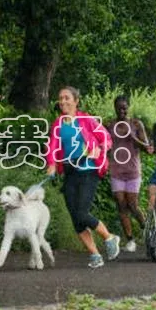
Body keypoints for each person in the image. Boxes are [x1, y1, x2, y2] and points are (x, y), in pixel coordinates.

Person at [46, 86, 120, 269]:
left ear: (76, 100)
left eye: (67, 98)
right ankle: (95, 254)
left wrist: (99, 149)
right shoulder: (58, 123)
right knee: (75, 217)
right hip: (70, 171)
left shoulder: (86, 119)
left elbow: (106, 138)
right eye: (60, 98)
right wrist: (52, 164)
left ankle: (109, 237)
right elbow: (52, 146)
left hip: (88, 169)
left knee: (82, 212)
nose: (63, 101)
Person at [104, 95, 150, 252]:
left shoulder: (136, 124)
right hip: (116, 170)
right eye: (119, 107)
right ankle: (130, 240)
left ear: (128, 107)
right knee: (121, 205)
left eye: (124, 107)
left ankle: (146, 227)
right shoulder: (110, 125)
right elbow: (101, 142)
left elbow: (147, 148)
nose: (122, 110)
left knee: (132, 204)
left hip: (132, 170)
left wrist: (134, 139)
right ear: (115, 108)